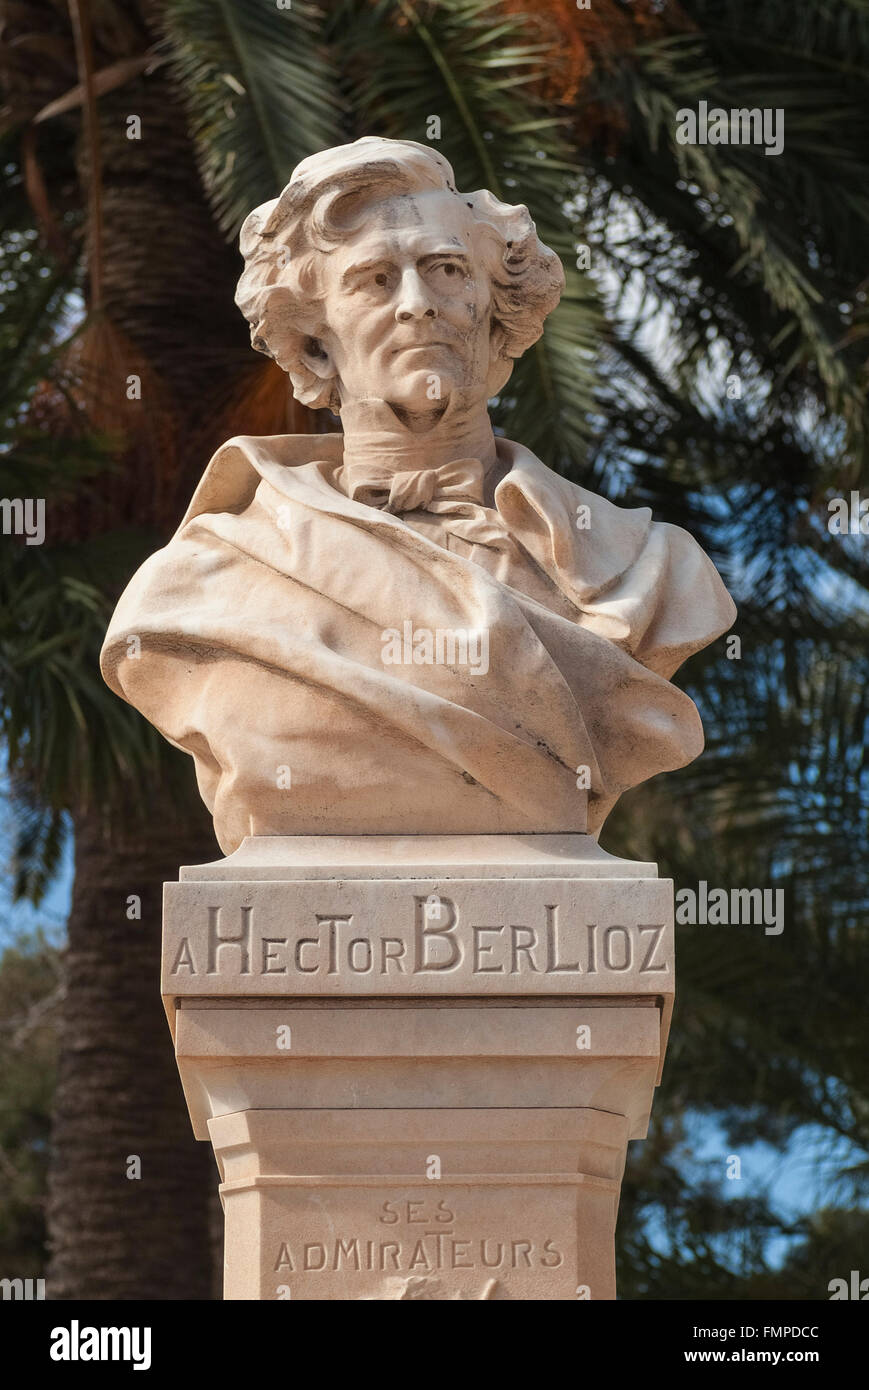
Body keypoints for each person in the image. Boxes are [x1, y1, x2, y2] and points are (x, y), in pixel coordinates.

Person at [100, 137, 736, 855]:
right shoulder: (205, 583)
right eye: (374, 279)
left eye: (445, 271)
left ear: (498, 313)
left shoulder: (647, 569)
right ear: (314, 342)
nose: (418, 306)